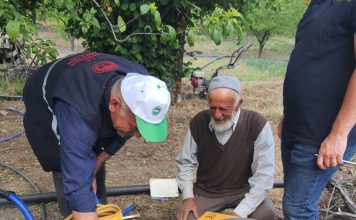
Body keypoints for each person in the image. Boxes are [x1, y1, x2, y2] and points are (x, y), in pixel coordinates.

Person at [22, 52, 171, 219]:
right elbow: (77, 178)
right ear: (114, 104)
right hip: (44, 98)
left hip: (92, 93)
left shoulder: (143, 87)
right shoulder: (77, 112)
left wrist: (94, 166)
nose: (137, 135)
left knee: (92, 159)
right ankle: (70, 213)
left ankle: (97, 207)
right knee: (67, 168)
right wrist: (82, 186)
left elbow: (121, 134)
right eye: (135, 127)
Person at [279, 0, 356, 219]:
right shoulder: (318, 3)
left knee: (298, 208)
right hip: (297, 128)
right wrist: (288, 115)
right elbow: (314, 57)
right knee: (294, 203)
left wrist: (339, 134)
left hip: (321, 135)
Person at [176, 76, 276, 220]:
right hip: (207, 192)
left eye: (223, 109)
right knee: (187, 218)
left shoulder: (257, 124)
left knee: (267, 214)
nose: (217, 114)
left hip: (244, 192)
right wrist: (187, 197)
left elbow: (264, 176)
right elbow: (186, 162)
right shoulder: (198, 122)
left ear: (238, 104)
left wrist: (238, 215)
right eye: (212, 108)